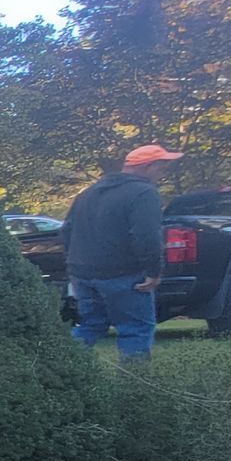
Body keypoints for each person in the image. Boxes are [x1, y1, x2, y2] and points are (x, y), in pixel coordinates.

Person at [61, 143, 184, 360]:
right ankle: (134, 386)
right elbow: (146, 236)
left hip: (82, 274)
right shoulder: (144, 193)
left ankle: (58, 367)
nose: (163, 174)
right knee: (135, 328)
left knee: (90, 325)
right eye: (162, 168)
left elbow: (66, 231)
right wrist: (153, 272)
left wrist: (74, 264)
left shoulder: (88, 193)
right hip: (124, 275)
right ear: (148, 167)